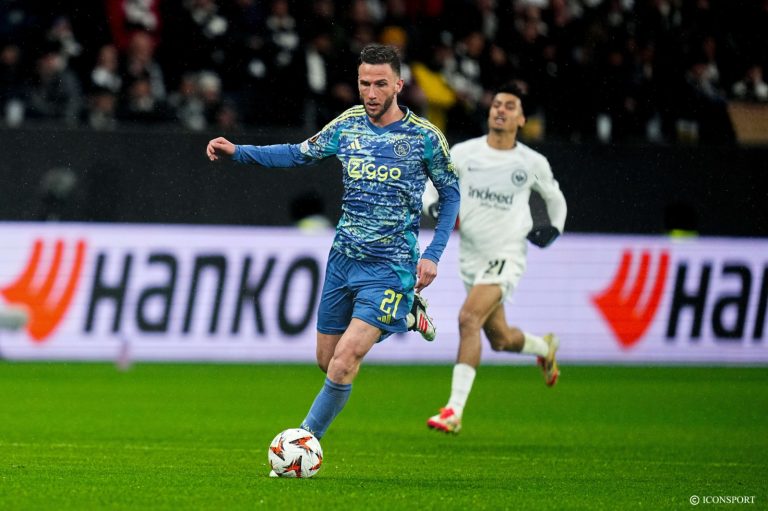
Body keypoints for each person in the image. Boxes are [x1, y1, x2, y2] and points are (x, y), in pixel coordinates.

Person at [206, 44, 460, 452]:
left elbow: (451, 195)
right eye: (364, 83)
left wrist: (432, 254)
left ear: (399, 85)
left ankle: (303, 443)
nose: (371, 93)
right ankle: (407, 315)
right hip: (343, 260)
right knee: (327, 360)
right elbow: (297, 154)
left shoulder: (425, 137)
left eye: (380, 84)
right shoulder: (348, 125)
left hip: (391, 267)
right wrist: (239, 152)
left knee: (344, 362)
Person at [422, 83, 567, 434]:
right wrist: (432, 205)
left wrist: (554, 228)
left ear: (521, 118)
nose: (500, 110)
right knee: (500, 339)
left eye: (509, 106)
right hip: (471, 255)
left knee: (468, 318)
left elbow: (554, 198)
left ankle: (453, 411)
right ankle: (543, 347)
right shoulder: (465, 153)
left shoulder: (531, 162)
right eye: (496, 104)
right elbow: (432, 184)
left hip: (507, 253)